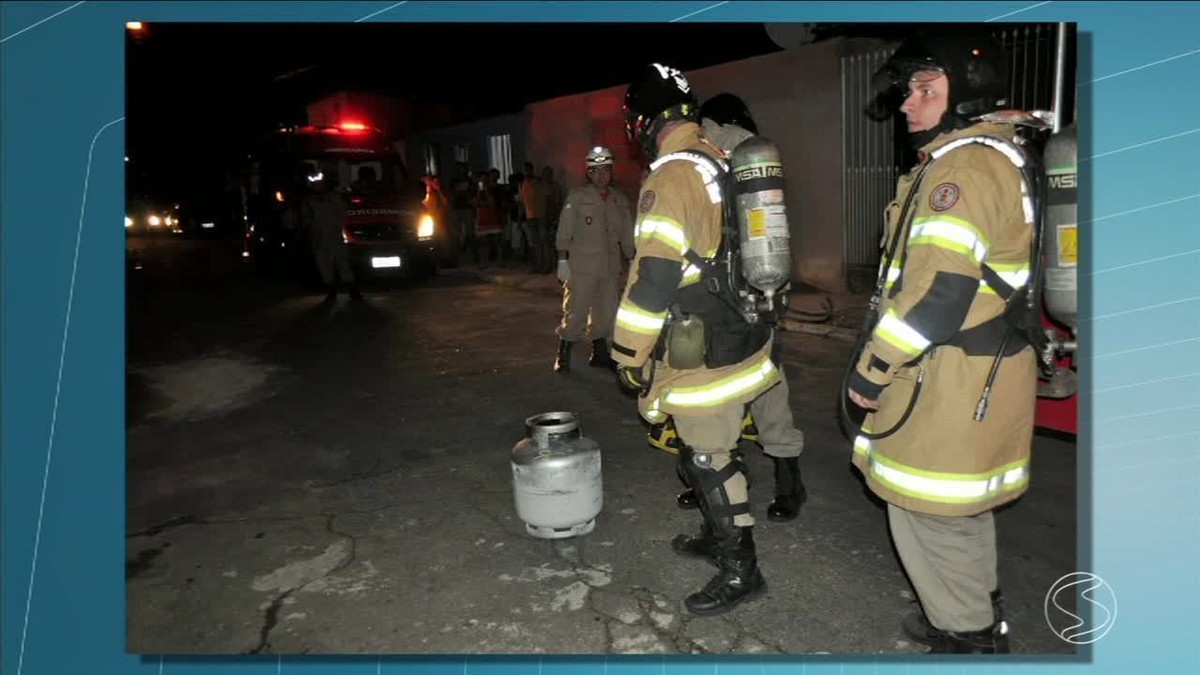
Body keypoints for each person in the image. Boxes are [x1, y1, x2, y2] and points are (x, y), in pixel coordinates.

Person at [846, 31, 1040, 654]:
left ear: (966, 93)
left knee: (927, 511)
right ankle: (972, 612)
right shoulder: (999, 157)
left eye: (925, 89)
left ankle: (968, 641)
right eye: (909, 91)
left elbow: (937, 297)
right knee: (959, 513)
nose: (908, 104)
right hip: (978, 371)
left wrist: (870, 371)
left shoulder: (963, 167)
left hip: (950, 376)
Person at [611, 63, 786, 616]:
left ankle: (741, 570)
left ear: (643, 120)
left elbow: (654, 277)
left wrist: (627, 352)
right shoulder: (718, 156)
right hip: (741, 328)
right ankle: (718, 536)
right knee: (710, 447)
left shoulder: (671, 176)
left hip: (703, 344)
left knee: (709, 455)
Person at [648, 92, 809, 523]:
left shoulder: (709, 150)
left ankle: (744, 482)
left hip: (735, 293)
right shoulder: (730, 153)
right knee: (759, 386)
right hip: (746, 292)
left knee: (739, 390)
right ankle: (774, 481)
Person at [553, 146, 634, 373]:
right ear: (589, 173)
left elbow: (627, 232)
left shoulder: (618, 200)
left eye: (605, 170)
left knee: (607, 313)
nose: (601, 175)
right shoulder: (577, 198)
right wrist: (562, 260)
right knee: (576, 311)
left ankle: (599, 353)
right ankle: (564, 353)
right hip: (582, 267)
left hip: (609, 267)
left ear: (611, 171)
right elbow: (564, 231)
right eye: (596, 171)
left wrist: (631, 259)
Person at [300, 168, 361, 301]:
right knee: (324, 265)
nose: (318, 186)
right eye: (315, 184)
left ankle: (352, 290)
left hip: (335, 236)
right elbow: (306, 219)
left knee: (343, 263)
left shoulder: (334, 197)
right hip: (319, 239)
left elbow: (342, 214)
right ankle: (331, 291)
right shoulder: (308, 201)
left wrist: (337, 227)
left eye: (320, 183)